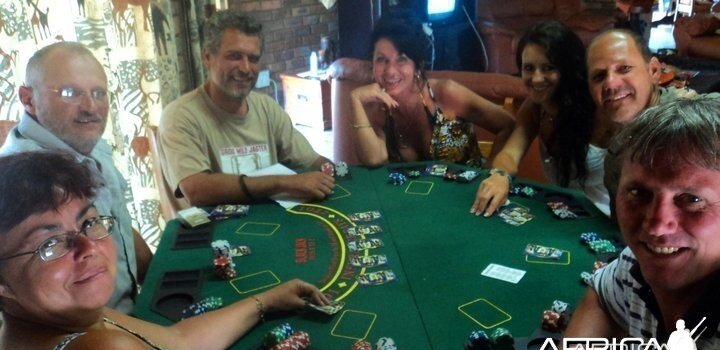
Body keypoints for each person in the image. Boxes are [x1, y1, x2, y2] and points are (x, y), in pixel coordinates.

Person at [0, 150, 329, 350]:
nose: (87, 248)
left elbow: (177, 341)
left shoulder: (64, 319)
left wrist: (266, 301)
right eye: (51, 243)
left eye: (87, 222)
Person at [539, 97, 720, 350]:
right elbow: (601, 295)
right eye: (638, 193)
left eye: (692, 199)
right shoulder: (632, 266)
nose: (658, 225)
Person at [0, 41, 151, 313]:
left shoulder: (86, 142)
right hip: (95, 337)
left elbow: (118, 223)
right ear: (28, 99)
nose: (91, 107)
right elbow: (58, 309)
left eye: (99, 93)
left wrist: (157, 282)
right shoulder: (17, 180)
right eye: (70, 93)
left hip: (132, 315)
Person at [158, 10, 334, 209]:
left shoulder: (267, 107)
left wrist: (333, 170)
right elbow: (196, 190)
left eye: (253, 59)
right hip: (212, 233)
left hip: (272, 224)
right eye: (235, 56)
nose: (245, 68)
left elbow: (312, 161)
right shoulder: (179, 115)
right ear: (207, 57)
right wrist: (282, 182)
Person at [470, 20, 605, 217]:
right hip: (565, 214)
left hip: (608, 217)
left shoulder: (598, 108)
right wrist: (500, 175)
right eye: (529, 68)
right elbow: (509, 154)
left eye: (548, 67)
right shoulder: (534, 108)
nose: (536, 78)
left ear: (567, 68)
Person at [349, 13, 515, 167]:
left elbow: (509, 125)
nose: (390, 71)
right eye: (381, 60)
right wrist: (355, 99)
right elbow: (373, 159)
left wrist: (490, 174)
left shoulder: (445, 93)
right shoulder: (376, 108)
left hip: (468, 196)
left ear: (417, 66)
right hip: (410, 197)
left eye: (402, 59)